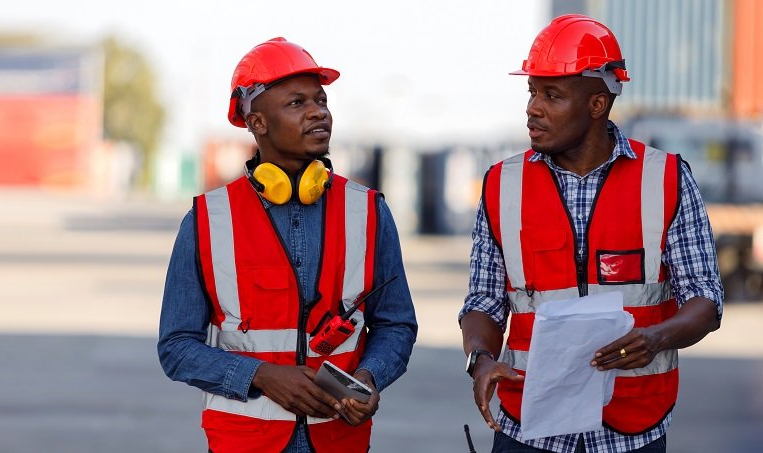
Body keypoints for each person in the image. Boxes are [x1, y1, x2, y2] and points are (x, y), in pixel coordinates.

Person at [459, 15, 723, 453]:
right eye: (532, 92)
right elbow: (483, 302)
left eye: (552, 95)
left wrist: (658, 337)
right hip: (528, 428)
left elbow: (706, 300)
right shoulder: (501, 185)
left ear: (597, 104)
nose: (533, 108)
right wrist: (480, 359)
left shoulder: (667, 180)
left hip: (632, 428)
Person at [158, 37, 417, 453]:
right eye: (297, 103)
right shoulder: (208, 219)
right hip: (243, 443)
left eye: (321, 100)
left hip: (339, 440)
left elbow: (395, 324)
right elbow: (176, 348)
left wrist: (369, 377)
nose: (318, 112)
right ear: (257, 122)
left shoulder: (368, 212)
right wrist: (260, 375)